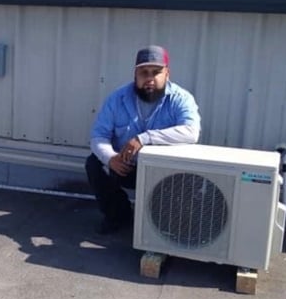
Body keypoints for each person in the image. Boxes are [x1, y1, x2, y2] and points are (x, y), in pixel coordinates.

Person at [85, 45, 201, 234]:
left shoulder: (181, 98)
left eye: (156, 72)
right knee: (94, 164)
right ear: (135, 74)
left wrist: (144, 138)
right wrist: (110, 158)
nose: (150, 79)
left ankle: (166, 224)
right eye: (144, 72)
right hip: (127, 167)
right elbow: (98, 136)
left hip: (165, 173)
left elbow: (191, 132)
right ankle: (118, 216)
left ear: (167, 74)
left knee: (174, 210)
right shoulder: (117, 98)